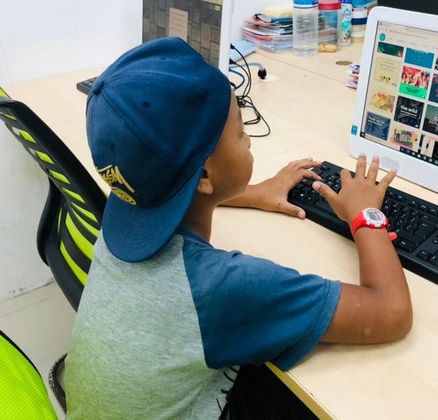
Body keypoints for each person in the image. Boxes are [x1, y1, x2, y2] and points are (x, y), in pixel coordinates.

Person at [65, 37, 412, 419]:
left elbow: (174, 186)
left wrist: (252, 193)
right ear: (205, 177)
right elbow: (392, 312)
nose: (247, 139)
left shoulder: (127, 207)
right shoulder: (222, 285)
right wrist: (365, 214)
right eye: (241, 130)